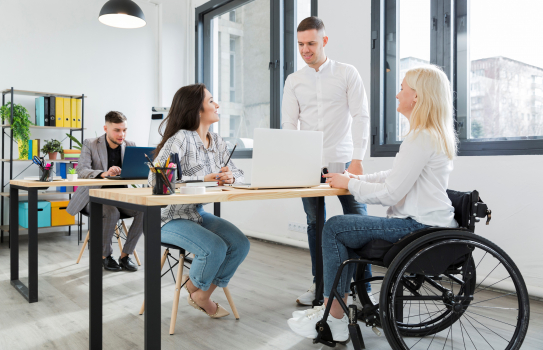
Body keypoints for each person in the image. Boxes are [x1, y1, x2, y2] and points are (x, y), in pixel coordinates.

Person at [287, 65, 460, 341]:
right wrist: (355, 178)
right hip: (427, 223)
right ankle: (337, 313)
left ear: (417, 96)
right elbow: (395, 176)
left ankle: (334, 316)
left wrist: (350, 184)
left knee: (333, 227)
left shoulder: (421, 138)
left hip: (415, 228)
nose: (397, 94)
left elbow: (391, 193)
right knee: (339, 228)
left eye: (403, 88)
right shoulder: (429, 135)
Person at [281, 16, 371, 305]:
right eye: (300, 44)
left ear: (325, 41)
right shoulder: (293, 81)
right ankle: (320, 286)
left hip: (343, 160)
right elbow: (288, 125)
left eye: (311, 43)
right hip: (308, 163)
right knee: (313, 223)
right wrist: (292, 164)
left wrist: (358, 159)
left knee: (357, 220)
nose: (305, 49)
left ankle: (364, 289)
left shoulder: (347, 73)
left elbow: (361, 117)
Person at [149, 83, 249, 318]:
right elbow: (155, 178)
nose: (217, 105)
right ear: (197, 109)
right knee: (214, 248)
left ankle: (197, 290)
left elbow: (241, 175)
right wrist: (201, 178)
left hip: (195, 214)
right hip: (166, 218)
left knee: (240, 245)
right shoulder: (181, 138)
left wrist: (231, 176)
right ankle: (199, 290)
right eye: (211, 101)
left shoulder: (217, 141)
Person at [66, 111, 143, 272]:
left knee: (144, 211)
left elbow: (135, 171)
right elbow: (81, 170)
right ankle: (105, 256)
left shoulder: (130, 145)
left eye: (124, 130)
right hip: (93, 197)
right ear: (106, 128)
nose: (121, 134)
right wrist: (104, 173)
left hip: (120, 197)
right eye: (117, 130)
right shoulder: (91, 143)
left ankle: (125, 256)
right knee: (111, 212)